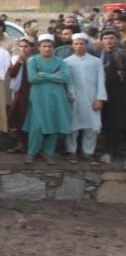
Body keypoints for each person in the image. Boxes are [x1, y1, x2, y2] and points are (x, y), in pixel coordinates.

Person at [23, 34, 72, 164]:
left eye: (50, 46)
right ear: (39, 48)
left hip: (57, 97)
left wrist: (43, 74)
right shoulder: (33, 60)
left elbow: (65, 78)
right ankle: (31, 152)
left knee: (53, 124)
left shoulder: (60, 61)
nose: (47, 49)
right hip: (39, 97)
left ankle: (48, 153)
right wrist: (54, 75)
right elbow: (32, 78)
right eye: (44, 46)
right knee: (37, 126)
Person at [65, 33, 107, 164]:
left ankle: (88, 152)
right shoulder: (66, 62)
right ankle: (71, 151)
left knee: (91, 127)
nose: (79, 46)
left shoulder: (96, 61)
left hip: (92, 97)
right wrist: (68, 95)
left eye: (82, 43)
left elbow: (101, 81)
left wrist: (100, 98)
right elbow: (66, 81)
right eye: (76, 43)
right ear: (72, 45)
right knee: (72, 127)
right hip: (74, 98)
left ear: (86, 45)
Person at [100, 29, 126, 164]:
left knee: (117, 122)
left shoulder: (121, 54)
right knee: (106, 122)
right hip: (103, 92)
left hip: (119, 93)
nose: (109, 41)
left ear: (117, 40)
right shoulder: (100, 54)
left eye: (112, 38)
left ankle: (111, 151)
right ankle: (107, 150)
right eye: (106, 38)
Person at [5, 38, 34, 155]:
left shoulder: (35, 59)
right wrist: (19, 62)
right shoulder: (16, 59)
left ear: (32, 47)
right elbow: (12, 73)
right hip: (19, 91)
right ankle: (21, 143)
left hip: (32, 92)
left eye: (26, 46)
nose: (23, 49)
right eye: (21, 47)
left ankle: (32, 145)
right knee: (18, 116)